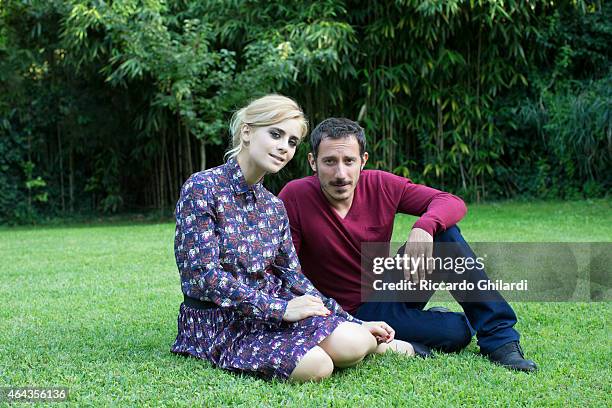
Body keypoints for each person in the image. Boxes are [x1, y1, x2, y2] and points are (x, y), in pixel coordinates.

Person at [170, 96, 420, 382]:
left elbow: (293, 276)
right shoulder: (203, 188)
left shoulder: (273, 205)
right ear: (247, 132)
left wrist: (356, 321)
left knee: (354, 342)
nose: (284, 148)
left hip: (270, 314)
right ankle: (367, 347)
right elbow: (204, 277)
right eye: (276, 134)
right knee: (319, 367)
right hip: (219, 322)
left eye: (291, 142)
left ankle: (365, 342)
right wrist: (280, 309)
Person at [278, 117, 538, 372]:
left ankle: (501, 340)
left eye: (349, 161)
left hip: (387, 286)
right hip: (346, 313)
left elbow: (450, 201)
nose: (341, 174)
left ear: (363, 161)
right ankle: (413, 333)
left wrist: (425, 226)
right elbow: (287, 271)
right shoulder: (296, 196)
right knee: (456, 332)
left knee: (445, 235)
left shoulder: (381, 184)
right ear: (313, 162)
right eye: (329, 162)